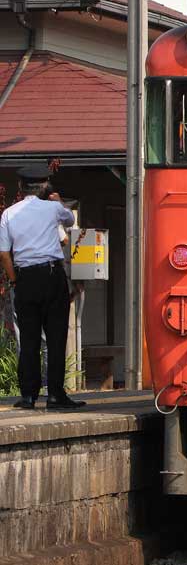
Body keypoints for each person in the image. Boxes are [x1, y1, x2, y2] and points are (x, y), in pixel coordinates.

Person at [0, 165, 85, 409]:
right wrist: (59, 201)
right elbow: (69, 220)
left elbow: (4, 254)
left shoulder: (8, 214)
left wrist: (16, 280)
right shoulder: (53, 208)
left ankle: (28, 396)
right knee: (56, 337)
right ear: (45, 185)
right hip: (51, 274)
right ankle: (56, 395)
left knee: (28, 338)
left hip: (25, 277)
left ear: (20, 187)